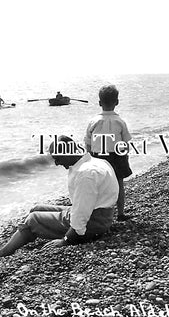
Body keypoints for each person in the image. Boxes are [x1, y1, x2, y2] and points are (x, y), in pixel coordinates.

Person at [0, 136, 119, 257]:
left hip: (94, 223)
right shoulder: (98, 162)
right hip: (102, 216)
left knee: (33, 219)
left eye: (57, 158)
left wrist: (67, 240)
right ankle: (23, 234)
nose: (56, 163)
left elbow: (81, 215)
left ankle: (4, 252)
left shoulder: (85, 175)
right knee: (36, 208)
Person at [85, 85, 133, 221]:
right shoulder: (120, 122)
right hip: (117, 155)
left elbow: (88, 143)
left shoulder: (93, 121)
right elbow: (125, 143)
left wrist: (89, 158)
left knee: (98, 186)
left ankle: (96, 214)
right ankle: (121, 213)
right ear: (116, 102)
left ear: (100, 103)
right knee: (118, 184)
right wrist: (125, 155)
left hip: (98, 156)